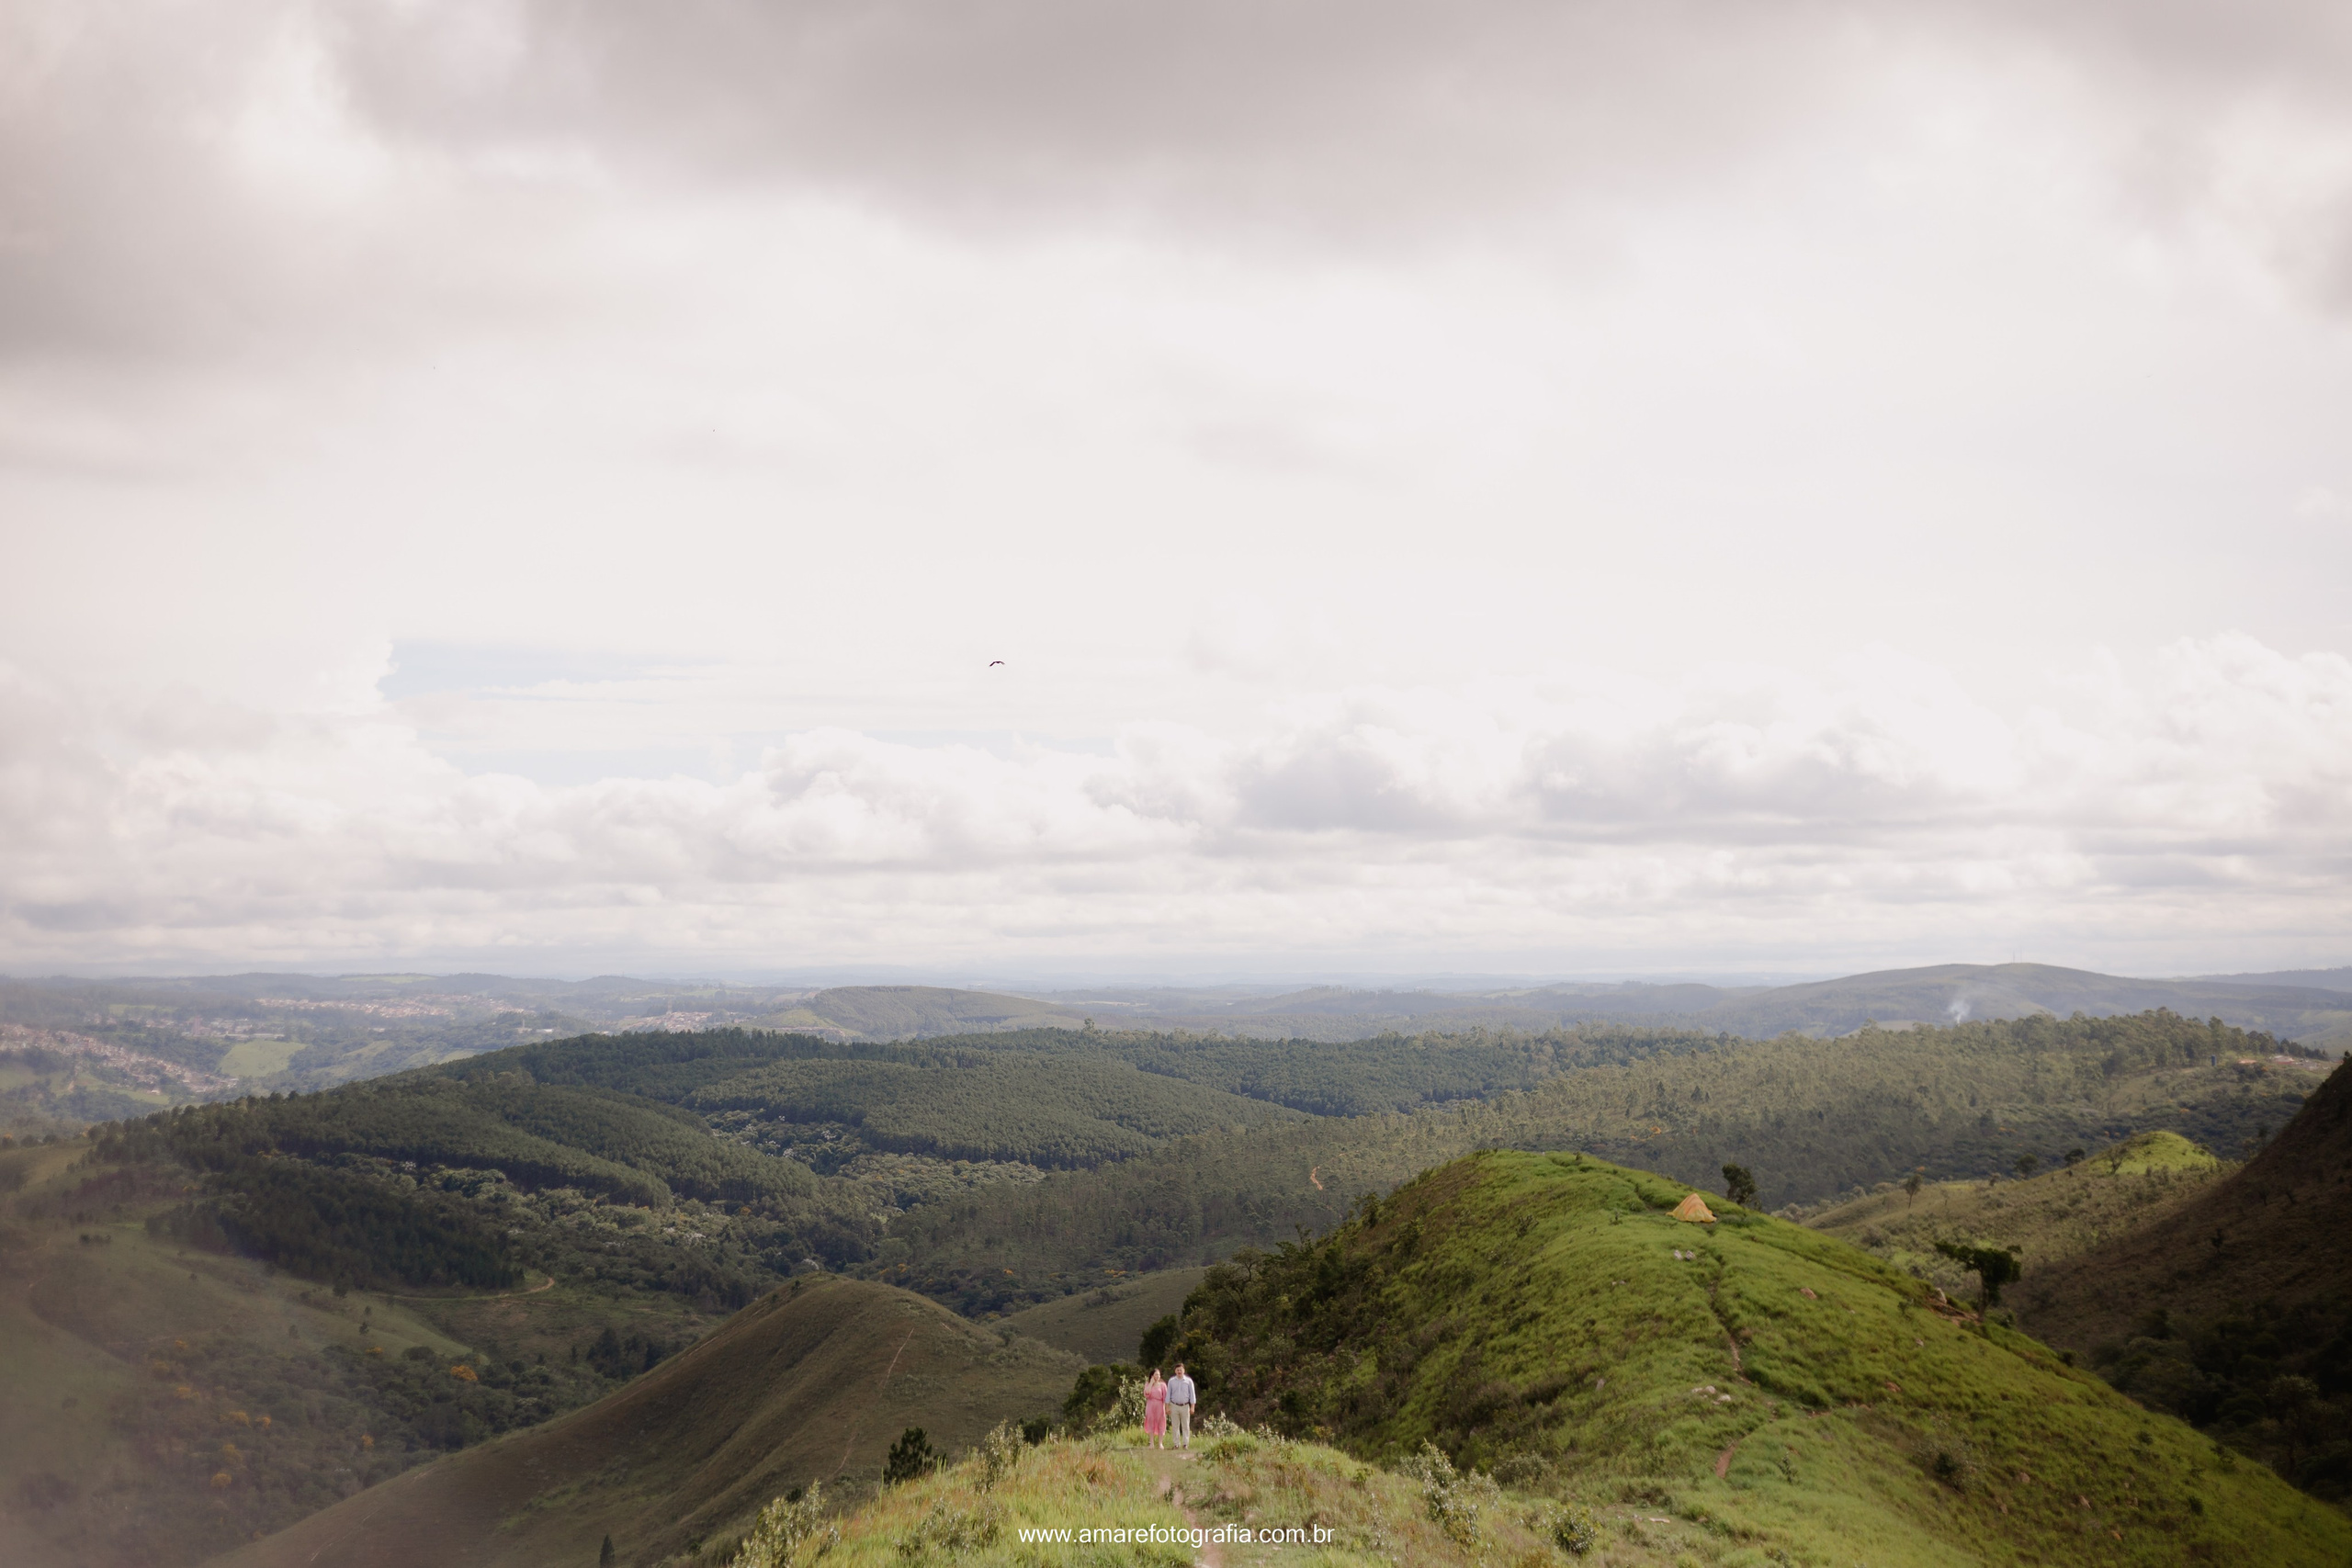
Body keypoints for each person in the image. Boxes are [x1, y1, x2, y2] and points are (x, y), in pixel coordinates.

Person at [1165, 1362, 1197, 1449]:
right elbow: (1168, 1395)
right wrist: (1167, 1407)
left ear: (1184, 1370)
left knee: (1186, 1426)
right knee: (1175, 1426)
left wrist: (1192, 1407)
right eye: (1177, 1370)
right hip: (1174, 1405)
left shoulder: (1189, 1381)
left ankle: (1185, 1444)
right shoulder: (1171, 1381)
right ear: (1175, 1371)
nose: (1179, 1371)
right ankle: (1176, 1444)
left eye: (1181, 1370)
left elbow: (1192, 1395)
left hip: (1185, 1406)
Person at [1143, 1368, 1169, 1448]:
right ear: (1152, 1375)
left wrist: (1166, 1407)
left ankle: (1160, 1443)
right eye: (1156, 1374)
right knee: (1150, 1421)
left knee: (1160, 1422)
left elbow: (1165, 1397)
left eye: (1159, 1374)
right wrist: (1151, 1383)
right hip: (1150, 1404)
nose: (1158, 1376)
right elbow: (1146, 1393)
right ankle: (1152, 1443)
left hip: (1160, 1405)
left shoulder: (1163, 1385)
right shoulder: (1147, 1384)